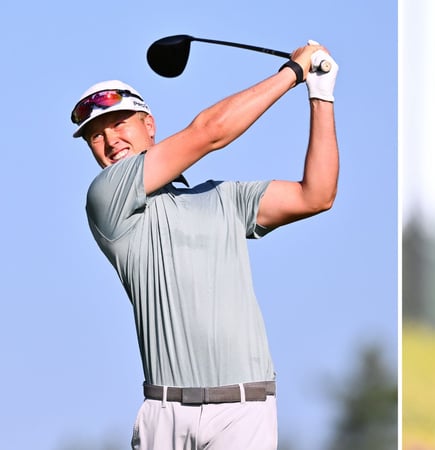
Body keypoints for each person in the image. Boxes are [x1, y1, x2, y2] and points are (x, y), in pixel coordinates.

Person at [69, 41, 339, 450]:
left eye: (119, 123)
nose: (110, 141)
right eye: (95, 136)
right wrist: (291, 73)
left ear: (149, 124)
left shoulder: (224, 198)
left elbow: (316, 194)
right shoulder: (107, 198)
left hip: (244, 410)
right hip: (165, 415)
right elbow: (210, 133)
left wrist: (320, 95)